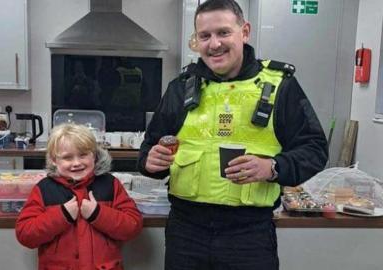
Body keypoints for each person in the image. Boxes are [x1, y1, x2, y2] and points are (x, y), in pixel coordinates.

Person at [137, 0, 328, 269]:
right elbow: (149, 150)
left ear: (245, 32)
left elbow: (315, 148)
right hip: (186, 232)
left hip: (248, 234)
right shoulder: (181, 88)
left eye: (223, 32)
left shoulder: (279, 86)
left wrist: (272, 167)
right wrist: (150, 162)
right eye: (205, 36)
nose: (214, 44)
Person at [16, 124, 143, 270]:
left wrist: (98, 214)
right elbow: (25, 235)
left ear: (94, 155)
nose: (76, 163)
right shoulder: (43, 189)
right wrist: (61, 215)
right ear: (53, 160)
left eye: (83, 155)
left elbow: (133, 226)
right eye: (67, 157)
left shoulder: (110, 184)